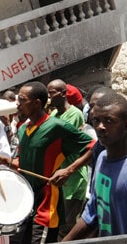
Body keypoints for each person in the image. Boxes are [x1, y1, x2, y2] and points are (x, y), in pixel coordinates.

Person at [0, 81, 94, 244]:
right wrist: (6, 161)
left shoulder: (56, 126)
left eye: (22, 100)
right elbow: (25, 165)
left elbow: (94, 147)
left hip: (46, 207)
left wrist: (68, 170)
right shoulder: (23, 129)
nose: (18, 104)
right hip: (24, 206)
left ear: (37, 103)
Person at [65, 92, 127, 239]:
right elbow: (92, 214)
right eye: (96, 121)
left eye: (108, 121)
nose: (100, 127)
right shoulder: (101, 159)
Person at [46, 79, 88, 239]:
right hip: (59, 179)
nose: (49, 97)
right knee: (58, 224)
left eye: (52, 93)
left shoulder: (74, 114)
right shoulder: (55, 114)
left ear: (63, 94)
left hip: (73, 178)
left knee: (68, 227)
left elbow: (58, 140)